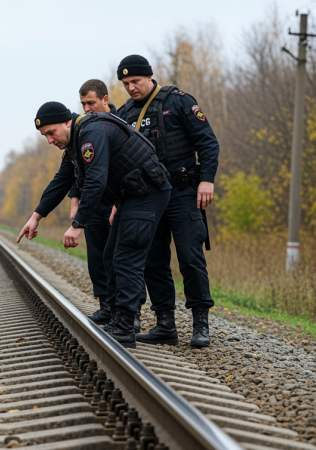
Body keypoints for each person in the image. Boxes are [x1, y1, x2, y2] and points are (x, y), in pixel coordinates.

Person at [17, 101, 171, 348]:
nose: (49, 140)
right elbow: (61, 181)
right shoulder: (76, 140)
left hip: (147, 193)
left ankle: (125, 326)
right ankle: (119, 318)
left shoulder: (92, 132)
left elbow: (96, 180)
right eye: (45, 135)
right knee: (112, 255)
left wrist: (78, 224)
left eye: (51, 132)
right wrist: (36, 217)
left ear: (67, 122)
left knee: (126, 257)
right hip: (132, 196)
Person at [115, 55, 219, 348]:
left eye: (135, 81)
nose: (131, 88)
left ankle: (201, 324)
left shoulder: (180, 101)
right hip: (145, 199)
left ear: (149, 76)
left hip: (183, 191)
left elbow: (208, 142)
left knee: (190, 258)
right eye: (125, 84)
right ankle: (165, 324)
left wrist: (207, 180)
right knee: (152, 261)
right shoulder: (124, 114)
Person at [70, 80, 117, 326]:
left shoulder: (119, 123)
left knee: (118, 258)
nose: (87, 108)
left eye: (91, 102)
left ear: (105, 99)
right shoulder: (85, 129)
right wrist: (74, 202)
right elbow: (78, 169)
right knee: (97, 256)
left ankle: (130, 313)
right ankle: (105, 306)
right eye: (83, 104)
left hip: (117, 201)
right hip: (93, 203)